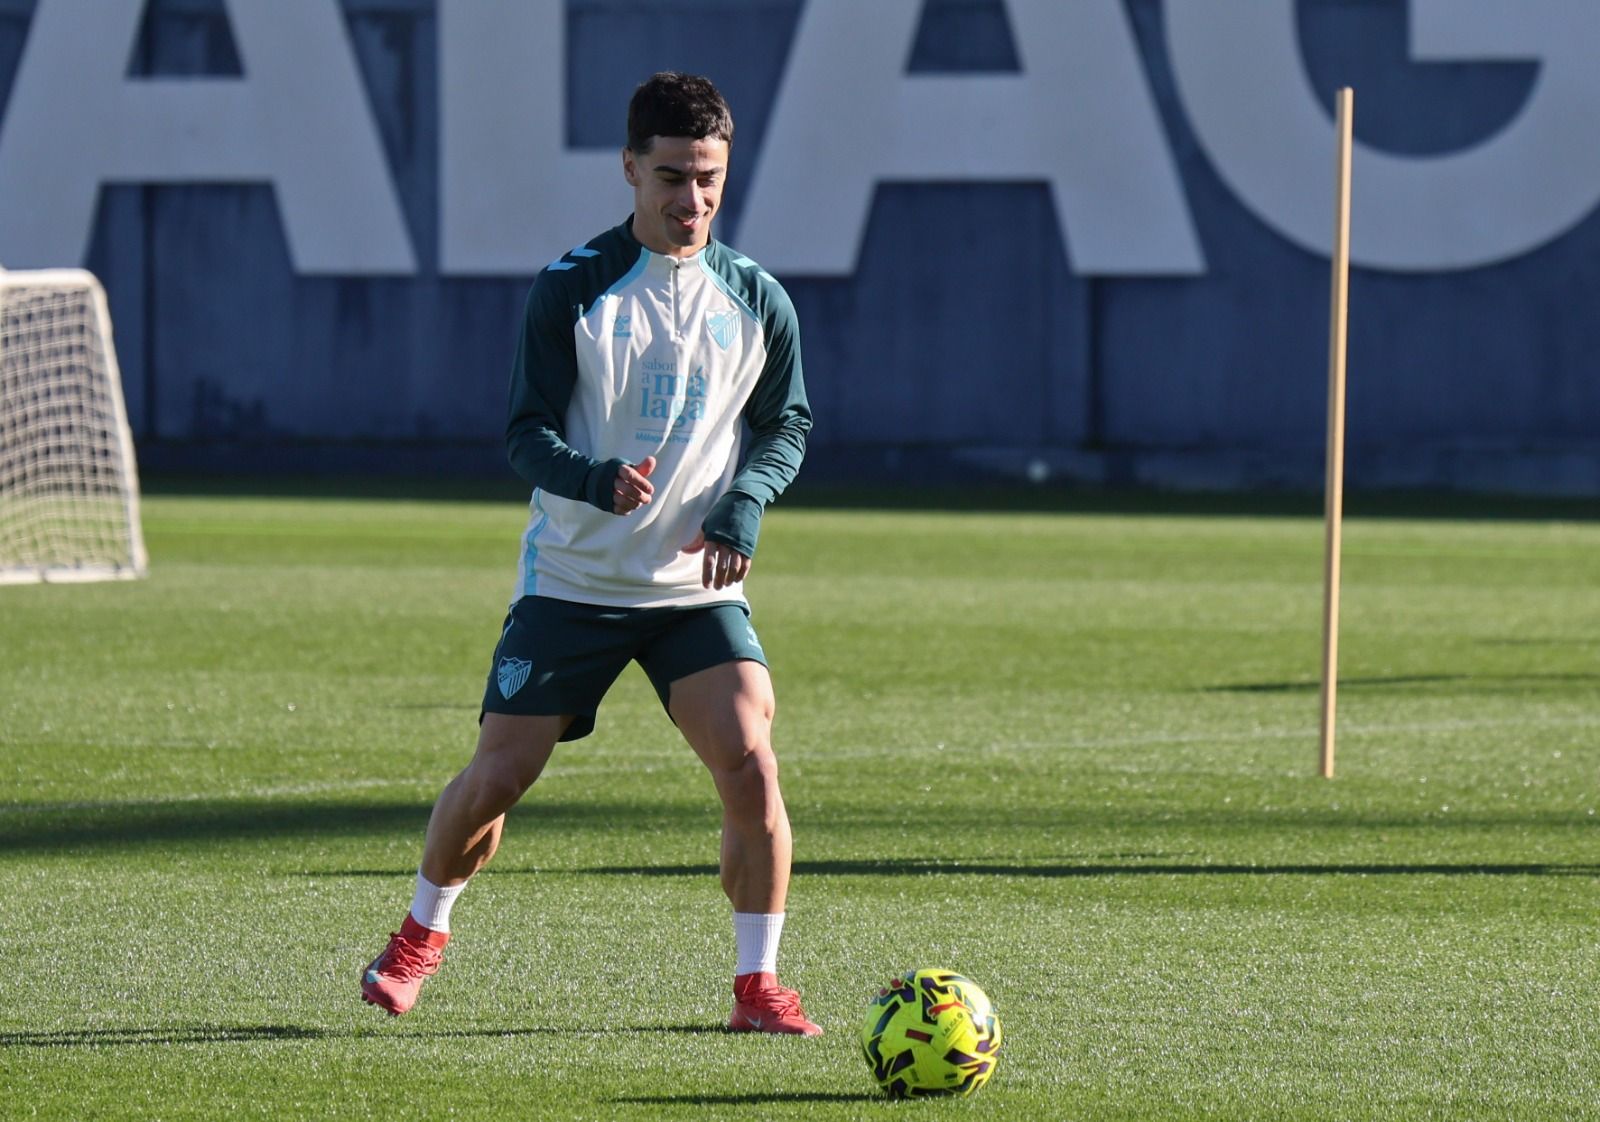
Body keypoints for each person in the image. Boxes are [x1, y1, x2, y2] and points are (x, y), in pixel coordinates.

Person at [359, 72, 818, 1035]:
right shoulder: (573, 290)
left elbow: (787, 426)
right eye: (670, 177)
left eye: (708, 179)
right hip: (573, 581)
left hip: (692, 589)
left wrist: (744, 506)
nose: (690, 200)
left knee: (753, 767)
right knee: (495, 783)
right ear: (628, 170)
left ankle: (758, 986)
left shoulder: (758, 301)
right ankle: (416, 937)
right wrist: (592, 477)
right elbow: (524, 434)